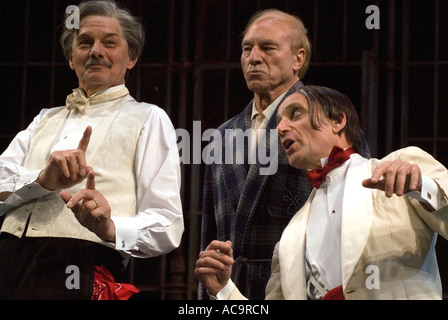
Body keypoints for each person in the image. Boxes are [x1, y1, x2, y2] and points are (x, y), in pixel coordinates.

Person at [0, 0, 183, 300]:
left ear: (131, 57)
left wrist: (110, 228)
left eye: (110, 43)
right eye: (84, 43)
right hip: (8, 261)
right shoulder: (44, 118)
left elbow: (167, 223)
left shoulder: (149, 117)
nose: (96, 51)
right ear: (71, 58)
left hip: (80, 263)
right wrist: (42, 181)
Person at [196, 85, 448, 300]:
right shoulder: (290, 238)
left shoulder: (401, 165)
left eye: (295, 114)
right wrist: (224, 289)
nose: (281, 127)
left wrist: (420, 187)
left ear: (338, 121)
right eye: (280, 120)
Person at [200, 9, 370, 299]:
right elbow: (211, 236)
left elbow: (361, 207)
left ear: (298, 59)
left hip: (303, 285)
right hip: (230, 288)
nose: (253, 57)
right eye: (246, 49)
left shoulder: (325, 121)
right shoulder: (223, 135)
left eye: (267, 48)